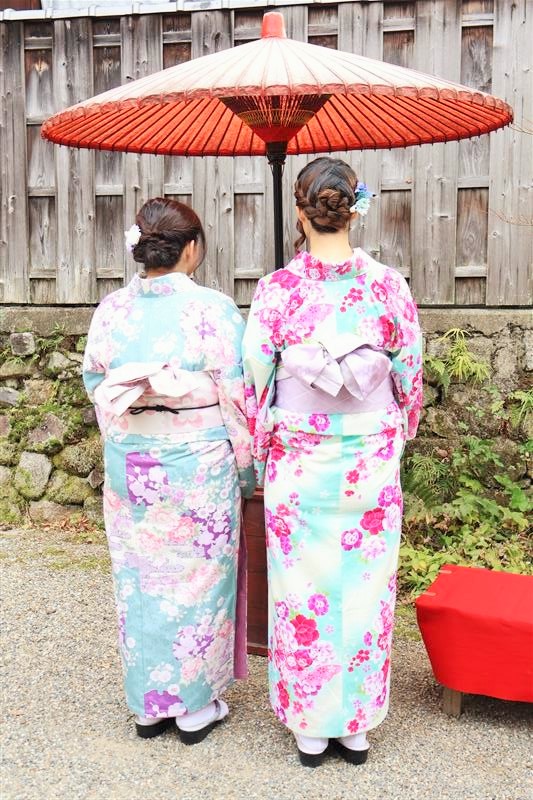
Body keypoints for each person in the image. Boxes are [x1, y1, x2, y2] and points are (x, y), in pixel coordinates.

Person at [242, 157, 423, 767]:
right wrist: (398, 429)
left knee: (301, 585)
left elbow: (255, 375)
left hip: (300, 456)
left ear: (301, 212)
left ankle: (311, 726)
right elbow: (409, 372)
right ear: (354, 210)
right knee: (366, 586)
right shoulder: (388, 285)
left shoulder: (277, 289)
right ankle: (356, 724)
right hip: (369, 455)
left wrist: (262, 441)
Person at [83, 197, 255, 742]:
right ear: (192, 248)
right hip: (198, 464)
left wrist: (127, 435)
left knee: (140, 579)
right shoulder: (214, 309)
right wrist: (247, 469)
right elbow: (238, 397)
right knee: (198, 579)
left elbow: (97, 384)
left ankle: (149, 704)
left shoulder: (112, 310)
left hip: (132, 458)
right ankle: (193, 707)